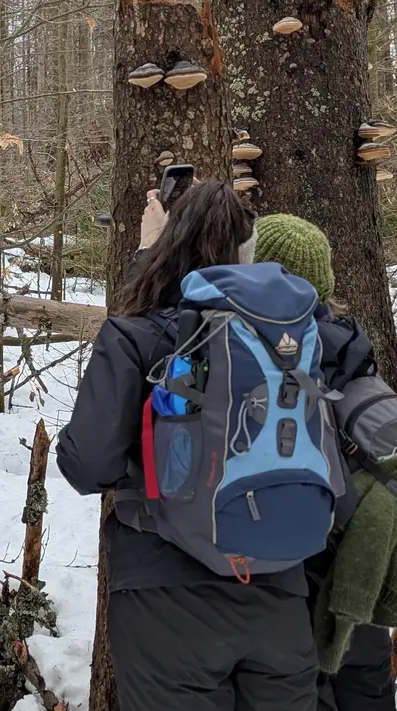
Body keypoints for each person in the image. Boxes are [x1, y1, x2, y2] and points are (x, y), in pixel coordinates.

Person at [57, 180, 321, 711]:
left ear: (165, 248)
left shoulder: (134, 337)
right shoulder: (293, 339)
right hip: (279, 586)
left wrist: (145, 260)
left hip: (166, 596)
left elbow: (88, 466)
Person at [253, 213, 397, 711]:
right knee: (366, 686)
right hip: (363, 568)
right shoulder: (352, 350)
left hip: (297, 579)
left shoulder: (264, 359)